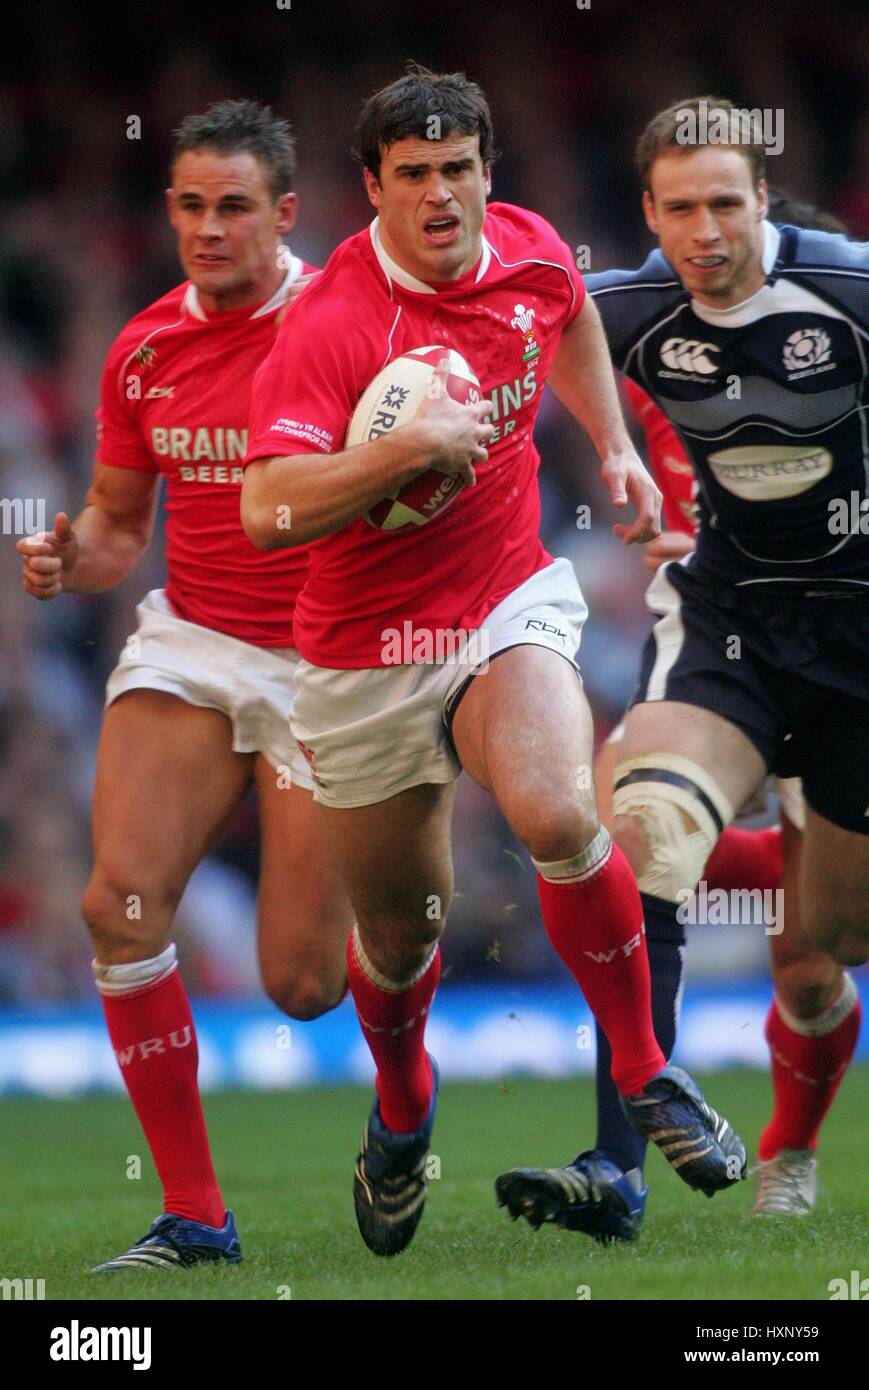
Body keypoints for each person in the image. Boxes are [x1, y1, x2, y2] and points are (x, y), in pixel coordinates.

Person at [241, 66, 746, 1259]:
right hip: (362, 655)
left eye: (457, 170)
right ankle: (404, 1106)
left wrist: (613, 447)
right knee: (406, 936)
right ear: (369, 185)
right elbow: (266, 507)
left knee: (561, 813)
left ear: (485, 173)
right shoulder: (330, 322)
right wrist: (403, 449)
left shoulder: (525, 252)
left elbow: (565, 311)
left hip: (502, 602)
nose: (438, 196)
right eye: (410, 175)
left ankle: (643, 1074)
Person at [499, 98, 866, 1239]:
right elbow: (512, 326)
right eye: (675, 210)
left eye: (722, 203)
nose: (700, 230)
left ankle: (788, 1145)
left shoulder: (850, 294)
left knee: (822, 953)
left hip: (859, 642)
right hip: (726, 623)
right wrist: (613, 455)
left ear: (763, 200)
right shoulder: (621, 307)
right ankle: (617, 1172)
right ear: (647, 214)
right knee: (642, 831)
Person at [17, 100, 353, 1273]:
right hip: (197, 643)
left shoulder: (347, 325)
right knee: (116, 904)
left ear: (285, 214)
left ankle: (402, 1092)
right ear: (169, 209)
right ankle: (196, 1214)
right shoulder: (144, 346)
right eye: (190, 206)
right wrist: (72, 558)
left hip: (329, 659)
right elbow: (117, 526)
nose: (209, 229)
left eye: (234, 208)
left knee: (306, 984)